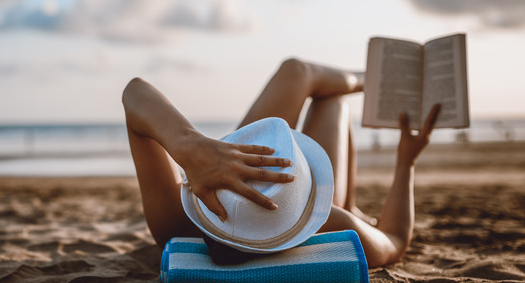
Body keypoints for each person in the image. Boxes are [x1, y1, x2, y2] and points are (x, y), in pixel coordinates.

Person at [122, 58, 440, 267]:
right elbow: (395, 239)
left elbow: (135, 92)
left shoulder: (177, 224)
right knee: (331, 101)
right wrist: (406, 161)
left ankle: (369, 79)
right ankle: (370, 80)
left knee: (295, 72)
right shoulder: (332, 225)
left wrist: (189, 144)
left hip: (225, 185)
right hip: (330, 213)